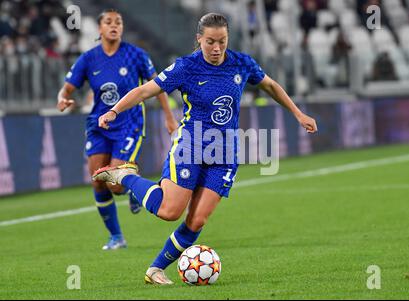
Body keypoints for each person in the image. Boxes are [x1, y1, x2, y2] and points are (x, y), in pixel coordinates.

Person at [92, 13, 317, 284]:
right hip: (191, 145)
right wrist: (115, 110)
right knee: (169, 211)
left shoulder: (241, 63)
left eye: (222, 41)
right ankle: (125, 176)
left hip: (225, 154)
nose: (216, 48)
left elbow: (269, 85)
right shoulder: (186, 67)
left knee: (197, 220)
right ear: (199, 39)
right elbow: (145, 91)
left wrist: (298, 113)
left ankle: (155, 270)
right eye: (210, 41)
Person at [56, 9, 178, 250]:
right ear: (99, 29)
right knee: (98, 181)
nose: (114, 26)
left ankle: (133, 188)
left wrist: (168, 118)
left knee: (115, 182)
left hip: (129, 123)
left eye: (119, 22)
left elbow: (158, 86)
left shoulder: (136, 55)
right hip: (99, 125)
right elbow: (67, 89)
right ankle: (116, 237)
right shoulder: (89, 59)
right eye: (109, 22)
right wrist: (62, 99)